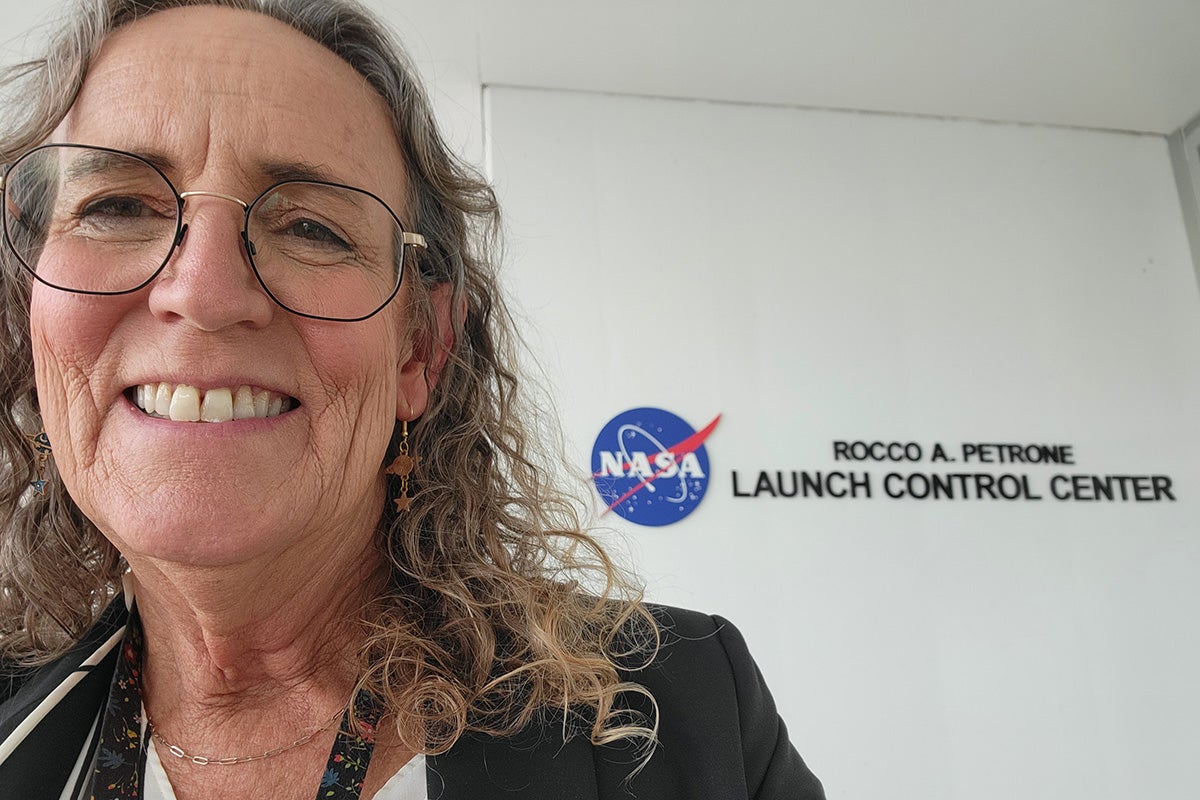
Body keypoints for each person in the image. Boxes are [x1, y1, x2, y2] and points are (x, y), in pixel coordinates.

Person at [0, 1, 826, 798]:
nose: (206, 292)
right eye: (116, 207)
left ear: (420, 350)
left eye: (312, 228)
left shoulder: (687, 719)